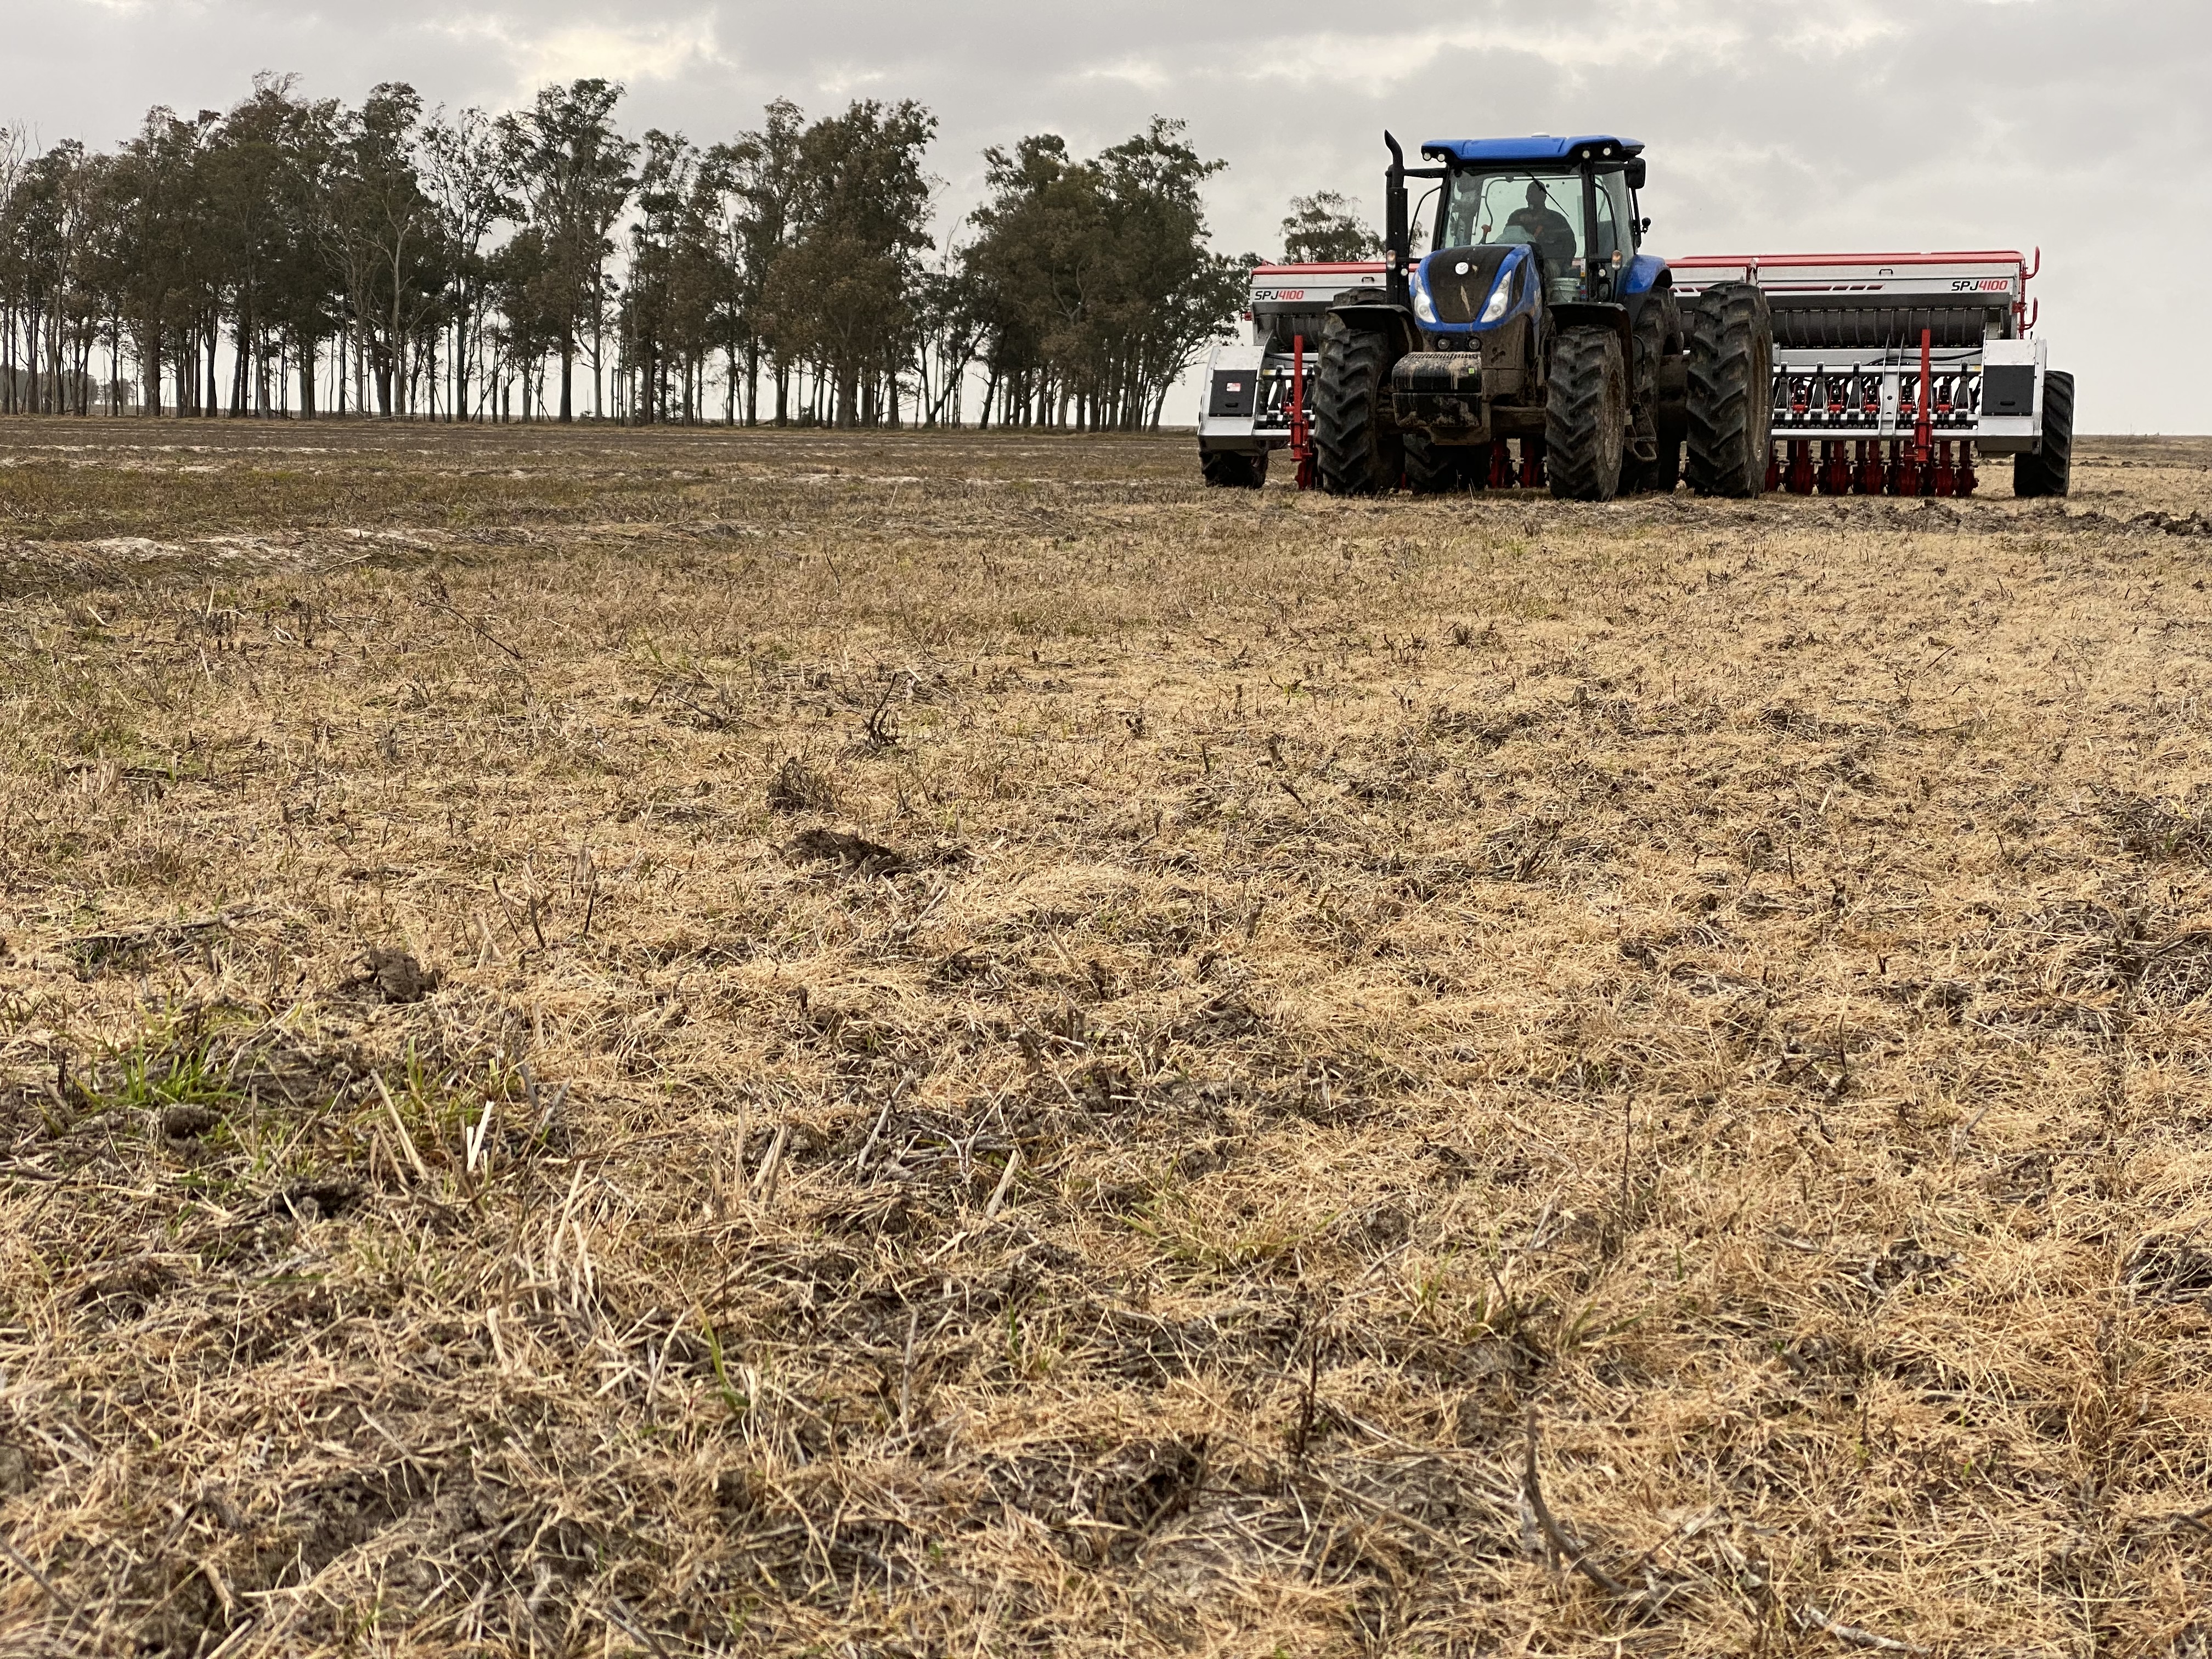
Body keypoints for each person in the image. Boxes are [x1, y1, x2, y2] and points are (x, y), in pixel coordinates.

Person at [1506, 180, 1578, 268]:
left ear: (1544, 197)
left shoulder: (1557, 220)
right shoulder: (1517, 217)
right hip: (1521, 263)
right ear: (1526, 197)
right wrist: (1519, 221)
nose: (1532, 197)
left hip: (1549, 265)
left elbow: (1570, 246)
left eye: (1537, 193)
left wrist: (1564, 266)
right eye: (1530, 194)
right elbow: (1508, 239)